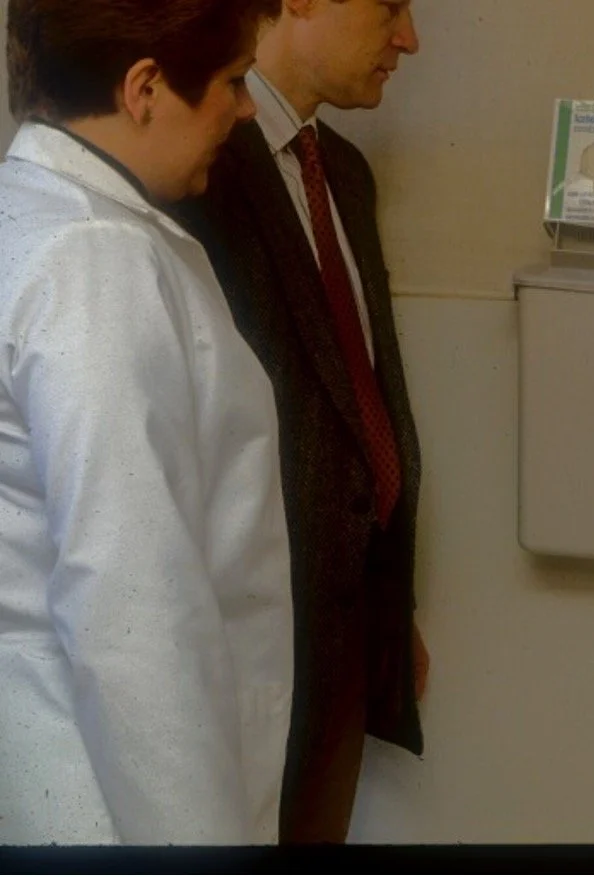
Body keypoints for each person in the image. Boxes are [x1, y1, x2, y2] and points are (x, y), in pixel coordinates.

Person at [0, 0, 291, 845]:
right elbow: (131, 609)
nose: (245, 109)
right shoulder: (94, 259)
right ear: (145, 88)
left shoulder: (29, 214)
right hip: (106, 795)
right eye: (235, 83)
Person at [173, 0, 426, 844]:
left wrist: (391, 606)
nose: (409, 38)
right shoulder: (193, 168)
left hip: (346, 637)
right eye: (390, 5)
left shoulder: (344, 172)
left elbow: (357, 402)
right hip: (251, 646)